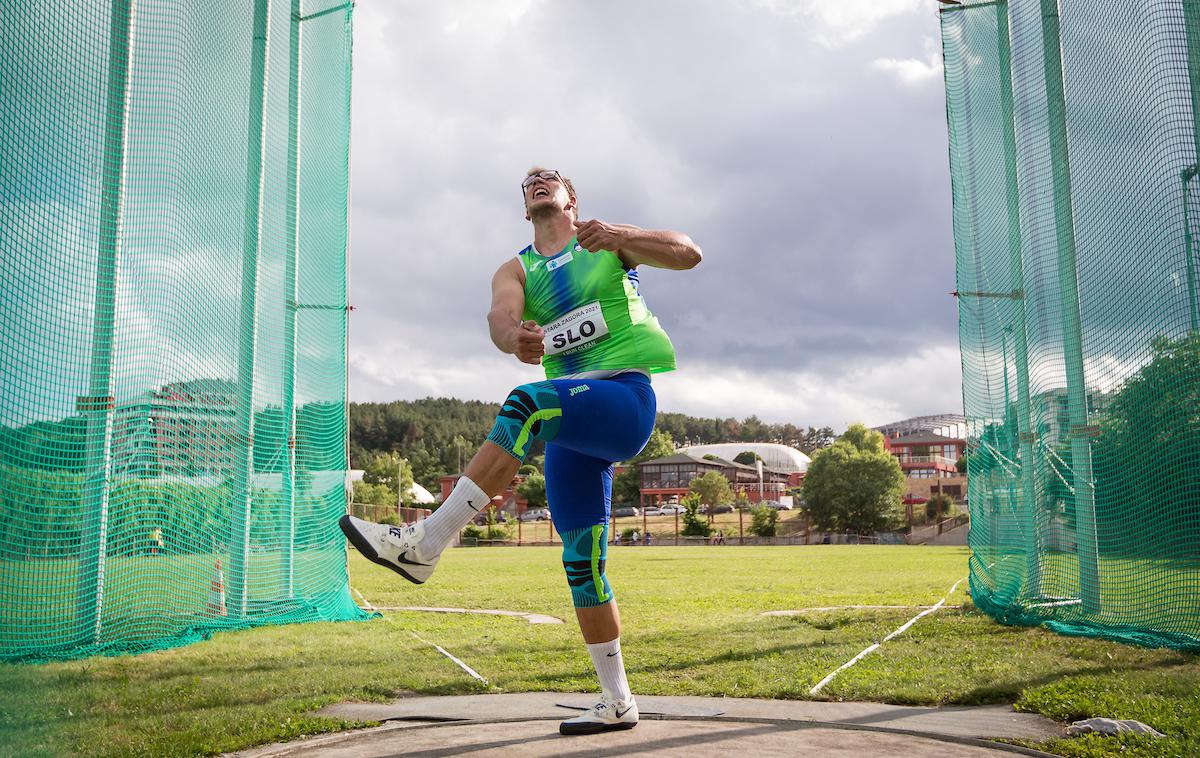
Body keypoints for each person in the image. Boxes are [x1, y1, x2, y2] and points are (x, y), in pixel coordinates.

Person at [340, 166, 701, 736]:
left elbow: (688, 254)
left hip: (623, 397)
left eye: (549, 178)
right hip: (570, 427)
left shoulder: (606, 243)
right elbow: (499, 319)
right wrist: (515, 338)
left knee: (526, 404)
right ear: (524, 207)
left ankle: (428, 541)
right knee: (582, 563)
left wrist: (623, 235)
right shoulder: (517, 268)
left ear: (570, 199)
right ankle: (617, 700)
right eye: (529, 181)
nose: (537, 181)